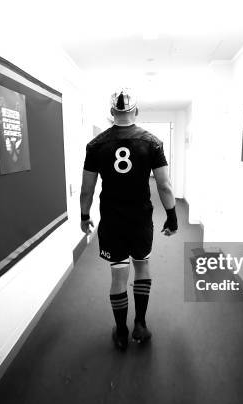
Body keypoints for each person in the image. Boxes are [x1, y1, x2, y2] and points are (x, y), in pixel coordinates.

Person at [79, 88, 178, 351]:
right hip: (140, 220)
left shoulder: (95, 145)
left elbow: (86, 189)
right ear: (136, 111)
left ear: (112, 113)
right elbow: (165, 185)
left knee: (118, 275)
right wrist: (172, 216)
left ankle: (121, 332)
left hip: (112, 221)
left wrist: (84, 216)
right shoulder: (153, 142)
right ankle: (141, 325)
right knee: (142, 266)